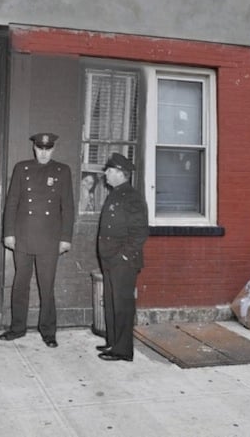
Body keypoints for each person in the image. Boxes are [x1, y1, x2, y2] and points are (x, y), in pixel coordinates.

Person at [0, 133, 75, 348]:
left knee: (47, 287)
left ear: (53, 150)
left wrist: (66, 238)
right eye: (40, 149)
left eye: (48, 149)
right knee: (20, 284)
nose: (43, 153)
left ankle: (48, 331)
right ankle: (17, 328)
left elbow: (68, 207)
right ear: (34, 148)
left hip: (49, 239)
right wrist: (8, 233)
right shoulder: (21, 168)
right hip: (23, 237)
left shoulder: (62, 171)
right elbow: (11, 203)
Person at [96, 153, 149, 362]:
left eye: (109, 170)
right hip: (110, 259)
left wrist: (124, 256)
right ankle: (112, 341)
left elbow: (139, 233)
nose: (105, 174)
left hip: (122, 261)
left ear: (120, 173)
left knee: (122, 305)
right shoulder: (116, 193)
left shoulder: (133, 197)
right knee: (111, 303)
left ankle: (123, 350)